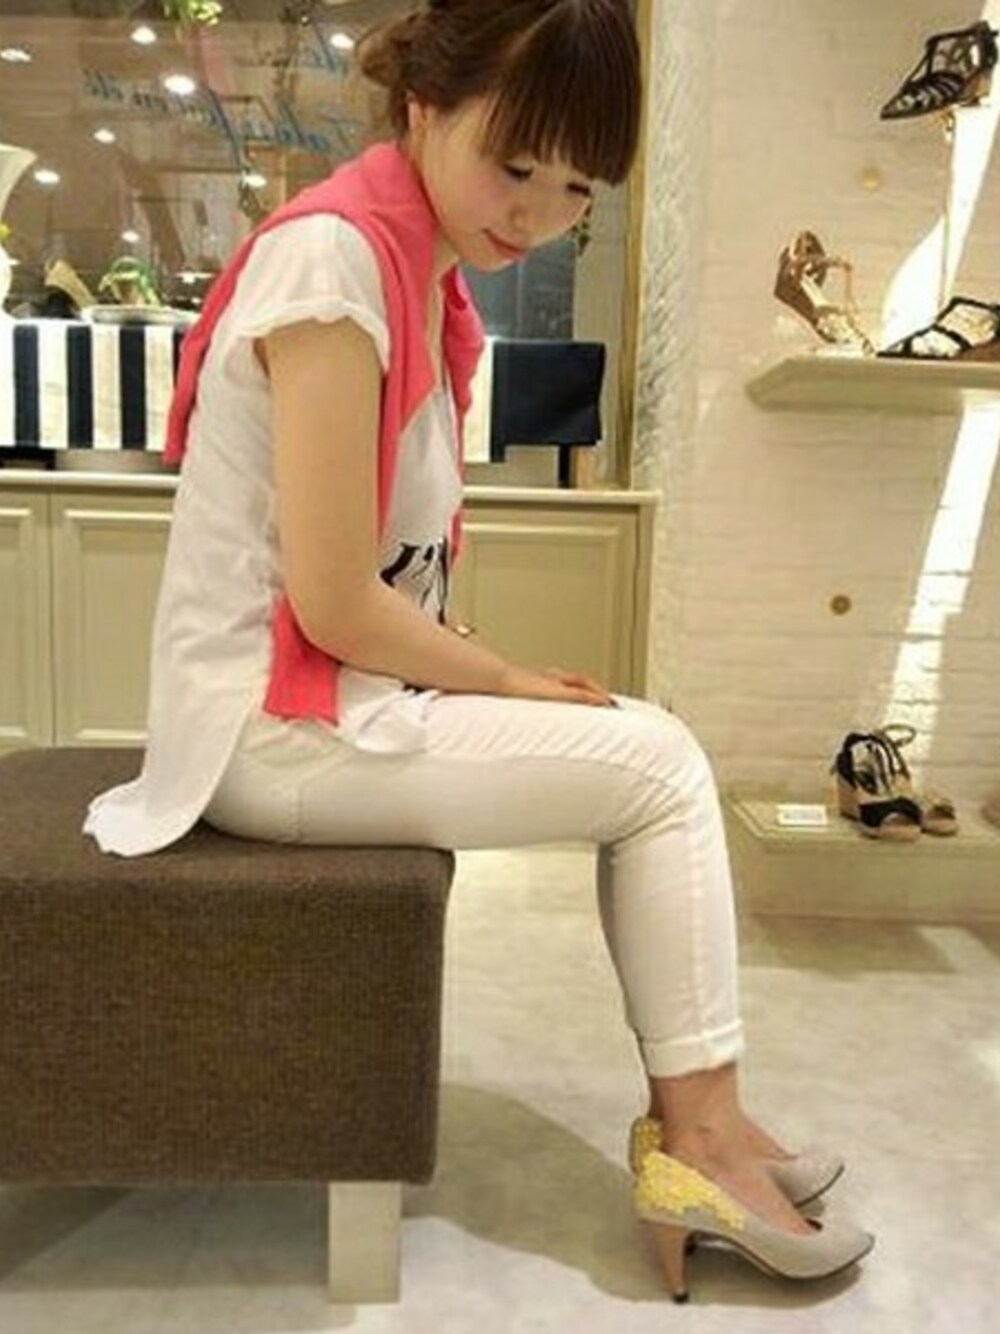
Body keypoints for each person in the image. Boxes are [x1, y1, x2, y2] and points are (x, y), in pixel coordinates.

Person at [84, 0, 872, 1300]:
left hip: (319, 699)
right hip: (273, 726)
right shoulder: (336, 264)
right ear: (426, 105)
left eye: (578, 191)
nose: (539, 214)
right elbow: (334, 602)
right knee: (663, 768)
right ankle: (704, 1139)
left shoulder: (409, 268)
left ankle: (707, 1127)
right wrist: (502, 676)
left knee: (643, 742)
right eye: (516, 165)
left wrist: (493, 667)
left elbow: (378, 581)